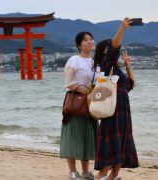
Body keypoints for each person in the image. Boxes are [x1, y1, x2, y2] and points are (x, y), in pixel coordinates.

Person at [93, 18, 139, 180]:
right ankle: (103, 177)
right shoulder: (105, 66)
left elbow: (131, 85)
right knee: (107, 163)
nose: (113, 48)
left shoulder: (116, 70)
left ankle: (113, 177)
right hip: (112, 112)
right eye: (109, 46)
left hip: (123, 113)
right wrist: (122, 28)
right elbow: (114, 48)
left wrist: (128, 65)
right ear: (104, 51)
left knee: (121, 151)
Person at [60, 32, 97, 179]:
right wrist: (84, 89)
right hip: (75, 103)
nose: (89, 42)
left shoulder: (94, 62)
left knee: (86, 136)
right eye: (85, 40)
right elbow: (68, 83)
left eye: (91, 39)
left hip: (90, 103)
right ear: (79, 45)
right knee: (73, 136)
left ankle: (86, 171)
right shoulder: (74, 60)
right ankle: (72, 171)